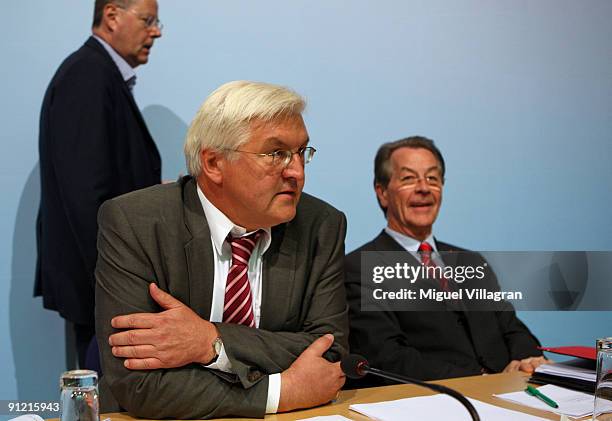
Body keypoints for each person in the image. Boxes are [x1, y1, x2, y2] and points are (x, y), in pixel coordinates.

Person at [95, 81, 348, 419]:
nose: (297, 172)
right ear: (214, 163)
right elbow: (137, 383)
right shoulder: (135, 223)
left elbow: (330, 356)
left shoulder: (321, 225)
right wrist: (278, 392)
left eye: (302, 152)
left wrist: (210, 341)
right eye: (276, 154)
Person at [345, 136, 547, 386]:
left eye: (432, 178)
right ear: (383, 192)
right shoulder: (359, 268)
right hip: (434, 401)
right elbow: (387, 357)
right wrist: (483, 380)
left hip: (508, 394)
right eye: (408, 178)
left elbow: (512, 328)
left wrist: (528, 360)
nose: (424, 188)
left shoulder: (472, 262)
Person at [35, 0, 162, 368]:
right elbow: (85, 194)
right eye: (149, 20)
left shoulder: (98, 73)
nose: (155, 31)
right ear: (111, 16)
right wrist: (113, 282)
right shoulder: (87, 76)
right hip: (103, 283)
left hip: (106, 278)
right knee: (101, 395)